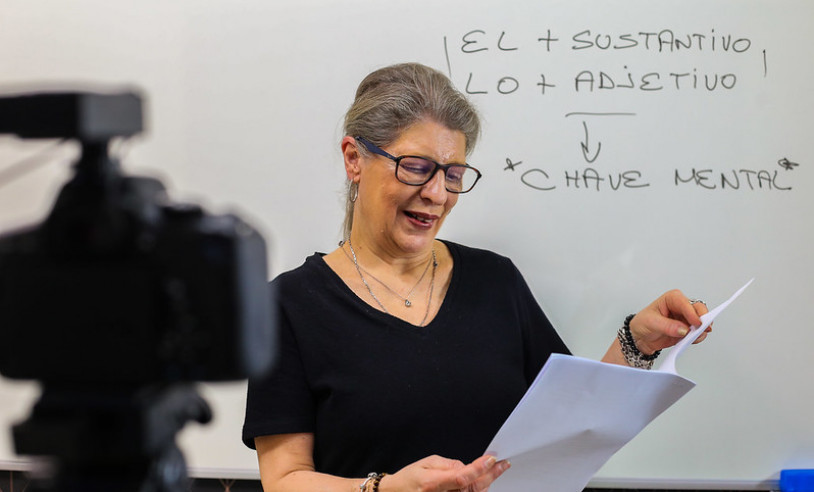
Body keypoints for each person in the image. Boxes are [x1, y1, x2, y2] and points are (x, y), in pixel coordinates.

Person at [242, 62, 710, 492]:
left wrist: (639, 341)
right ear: (354, 158)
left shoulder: (494, 281)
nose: (437, 194)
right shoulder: (289, 305)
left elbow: (572, 421)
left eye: (453, 173)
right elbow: (284, 479)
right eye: (416, 168)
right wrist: (387, 489)